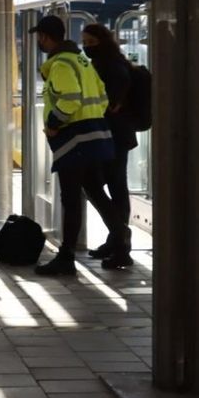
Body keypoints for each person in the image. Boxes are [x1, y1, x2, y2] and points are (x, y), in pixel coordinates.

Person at [30, 15, 117, 276]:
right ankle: (122, 240)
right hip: (95, 135)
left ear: (45, 37)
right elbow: (102, 96)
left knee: (70, 198)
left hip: (74, 138)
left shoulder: (61, 64)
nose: (39, 42)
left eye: (40, 37)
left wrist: (56, 123)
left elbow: (70, 99)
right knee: (95, 191)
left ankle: (66, 256)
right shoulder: (81, 60)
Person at [82, 23, 136, 269]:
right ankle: (116, 239)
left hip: (112, 136)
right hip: (115, 136)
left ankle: (120, 241)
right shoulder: (110, 62)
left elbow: (112, 101)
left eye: (92, 43)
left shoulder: (111, 66)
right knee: (114, 187)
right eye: (85, 43)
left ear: (103, 42)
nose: (88, 47)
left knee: (100, 186)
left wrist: (111, 105)